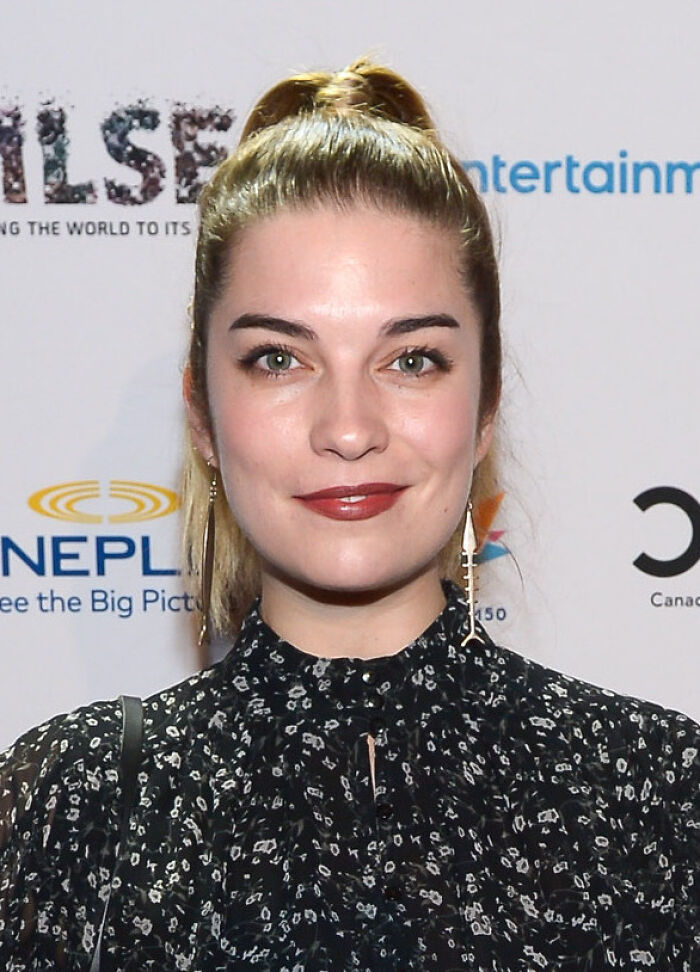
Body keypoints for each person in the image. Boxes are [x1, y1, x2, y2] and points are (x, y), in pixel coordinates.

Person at [1, 58, 698, 971]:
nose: (348, 428)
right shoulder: (74, 804)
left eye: (411, 360)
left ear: (485, 404)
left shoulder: (655, 795)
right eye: (278, 360)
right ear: (203, 414)